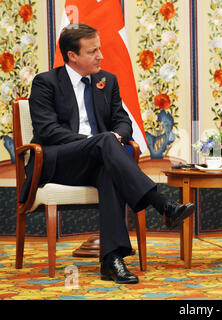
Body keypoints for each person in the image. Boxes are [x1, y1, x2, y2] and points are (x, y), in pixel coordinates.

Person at [23, 23, 195, 284]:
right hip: (57, 162)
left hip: (98, 161)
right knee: (105, 145)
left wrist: (113, 138)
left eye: (99, 49)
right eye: (93, 51)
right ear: (73, 56)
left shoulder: (107, 81)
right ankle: (161, 205)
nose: (100, 56)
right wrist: (98, 141)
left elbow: (123, 122)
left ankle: (112, 261)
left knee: (109, 170)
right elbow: (48, 131)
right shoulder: (46, 83)